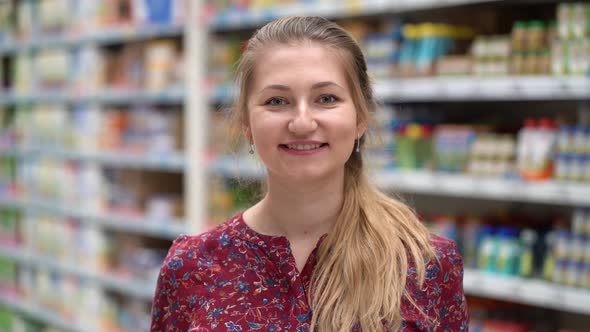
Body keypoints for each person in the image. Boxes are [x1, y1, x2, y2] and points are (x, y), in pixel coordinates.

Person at [150, 16, 468, 332]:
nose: (302, 123)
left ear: (360, 117)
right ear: (246, 124)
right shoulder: (191, 267)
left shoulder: (425, 264)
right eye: (277, 101)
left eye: (326, 99)